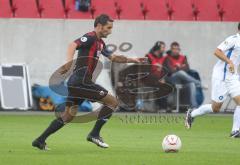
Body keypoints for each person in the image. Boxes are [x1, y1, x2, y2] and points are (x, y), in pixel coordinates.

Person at [32, 14, 141, 150]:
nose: (110, 31)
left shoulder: (101, 43)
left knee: (67, 116)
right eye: (109, 27)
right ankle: (94, 134)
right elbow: (73, 44)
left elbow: (113, 57)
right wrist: (67, 63)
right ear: (100, 26)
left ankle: (40, 140)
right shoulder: (90, 37)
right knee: (112, 102)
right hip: (81, 81)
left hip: (78, 83)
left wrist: (133, 60)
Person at [185, 22, 240, 138]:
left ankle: (235, 131)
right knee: (215, 108)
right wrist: (229, 61)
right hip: (221, 77)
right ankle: (192, 114)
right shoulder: (233, 39)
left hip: (233, 77)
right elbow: (217, 51)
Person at [164, 42, 201, 108]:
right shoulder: (167, 58)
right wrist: (180, 67)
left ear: (179, 50)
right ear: (171, 49)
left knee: (192, 84)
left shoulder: (183, 57)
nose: (175, 51)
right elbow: (170, 70)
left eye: (177, 49)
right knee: (180, 72)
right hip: (172, 79)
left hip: (182, 81)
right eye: (174, 49)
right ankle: (198, 83)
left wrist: (177, 68)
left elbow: (187, 68)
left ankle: (194, 106)